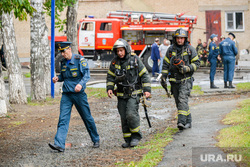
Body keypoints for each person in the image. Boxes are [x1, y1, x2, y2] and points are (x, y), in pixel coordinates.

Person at [49, 42, 100, 152]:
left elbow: (87, 75)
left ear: (69, 49)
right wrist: (57, 78)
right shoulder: (63, 62)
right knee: (63, 118)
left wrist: (80, 84)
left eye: (64, 51)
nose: (62, 54)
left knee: (87, 117)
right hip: (66, 95)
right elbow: (63, 76)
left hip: (79, 95)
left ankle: (95, 139)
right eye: (61, 52)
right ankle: (59, 144)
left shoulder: (79, 60)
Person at [106, 38, 151, 148]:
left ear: (126, 49)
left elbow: (144, 75)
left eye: (121, 50)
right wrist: (110, 88)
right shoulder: (114, 62)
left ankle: (136, 136)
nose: (119, 53)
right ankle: (128, 139)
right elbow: (110, 77)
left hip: (134, 93)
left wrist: (147, 90)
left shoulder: (135, 59)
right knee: (124, 117)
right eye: (118, 51)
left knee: (131, 114)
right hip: (121, 94)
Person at [161, 28, 200, 130]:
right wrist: (163, 77)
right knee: (179, 103)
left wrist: (188, 68)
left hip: (185, 80)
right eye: (178, 38)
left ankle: (181, 122)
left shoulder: (190, 49)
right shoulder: (170, 50)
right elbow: (165, 64)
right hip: (174, 81)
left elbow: (197, 63)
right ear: (175, 39)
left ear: (185, 39)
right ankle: (189, 121)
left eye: (182, 38)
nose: (180, 40)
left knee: (182, 100)